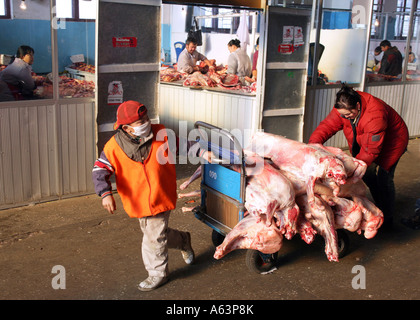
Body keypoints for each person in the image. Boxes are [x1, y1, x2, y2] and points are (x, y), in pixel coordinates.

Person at [92, 101, 211, 291]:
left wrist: (201, 151)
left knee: (153, 239)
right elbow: (99, 169)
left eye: (146, 118)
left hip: (160, 194)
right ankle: (183, 240)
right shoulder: (113, 147)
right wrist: (105, 193)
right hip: (137, 201)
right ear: (126, 128)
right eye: (140, 121)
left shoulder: (160, 134)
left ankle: (157, 274)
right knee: (155, 234)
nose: (146, 122)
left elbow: (183, 144)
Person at [309, 84, 409, 229]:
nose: (344, 117)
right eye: (342, 115)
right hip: (368, 142)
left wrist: (350, 173)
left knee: (384, 177)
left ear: (357, 106)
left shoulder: (375, 115)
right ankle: (378, 204)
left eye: (348, 115)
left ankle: (387, 218)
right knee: (367, 175)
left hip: (392, 143)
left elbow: (370, 152)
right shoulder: (344, 105)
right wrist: (313, 147)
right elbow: (328, 126)